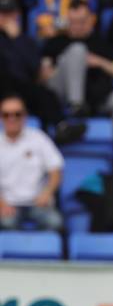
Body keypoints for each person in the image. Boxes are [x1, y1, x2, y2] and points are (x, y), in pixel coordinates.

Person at [41, 0, 113, 131]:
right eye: (73, 22)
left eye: (81, 21)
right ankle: (76, 105)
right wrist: (69, 64)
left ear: (91, 19)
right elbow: (44, 76)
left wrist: (98, 62)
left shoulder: (100, 43)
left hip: (96, 96)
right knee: (77, 49)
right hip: (62, 95)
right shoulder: (56, 42)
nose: (77, 26)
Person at [0, 0, 85, 143]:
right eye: (3, 14)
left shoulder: (24, 40)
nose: (7, 18)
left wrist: (17, 38)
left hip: (21, 89)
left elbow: (34, 67)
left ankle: (61, 127)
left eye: (10, 13)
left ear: (17, 15)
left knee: (44, 93)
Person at [0, 94, 63, 231]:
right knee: (6, 224)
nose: (12, 118)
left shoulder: (38, 137)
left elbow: (56, 169)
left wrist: (47, 192)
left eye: (17, 114)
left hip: (38, 203)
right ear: (1, 117)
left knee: (55, 222)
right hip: (8, 204)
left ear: (25, 116)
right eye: (6, 114)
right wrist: (1, 203)